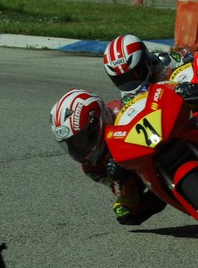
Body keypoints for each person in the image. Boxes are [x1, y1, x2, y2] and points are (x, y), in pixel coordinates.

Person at [50, 88, 165, 226]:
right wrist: (119, 178)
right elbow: (128, 198)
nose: (76, 147)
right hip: (140, 173)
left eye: (80, 139)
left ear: (95, 124)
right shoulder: (91, 168)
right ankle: (165, 196)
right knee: (126, 211)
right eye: (71, 143)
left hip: (158, 142)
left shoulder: (121, 110)